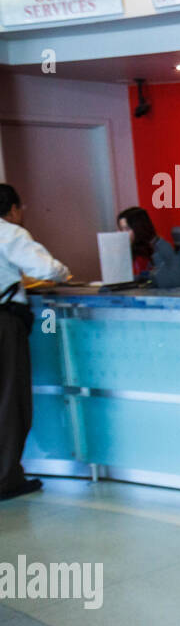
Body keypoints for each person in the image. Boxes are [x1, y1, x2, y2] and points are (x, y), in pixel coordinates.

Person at [0, 183, 71, 501]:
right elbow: (47, 269)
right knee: (9, 400)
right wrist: (63, 272)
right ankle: (6, 478)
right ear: (13, 209)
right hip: (5, 323)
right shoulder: (10, 234)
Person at [117, 205, 160, 277]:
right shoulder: (127, 252)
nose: (122, 234)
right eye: (121, 229)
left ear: (139, 229)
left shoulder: (147, 255)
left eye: (127, 229)